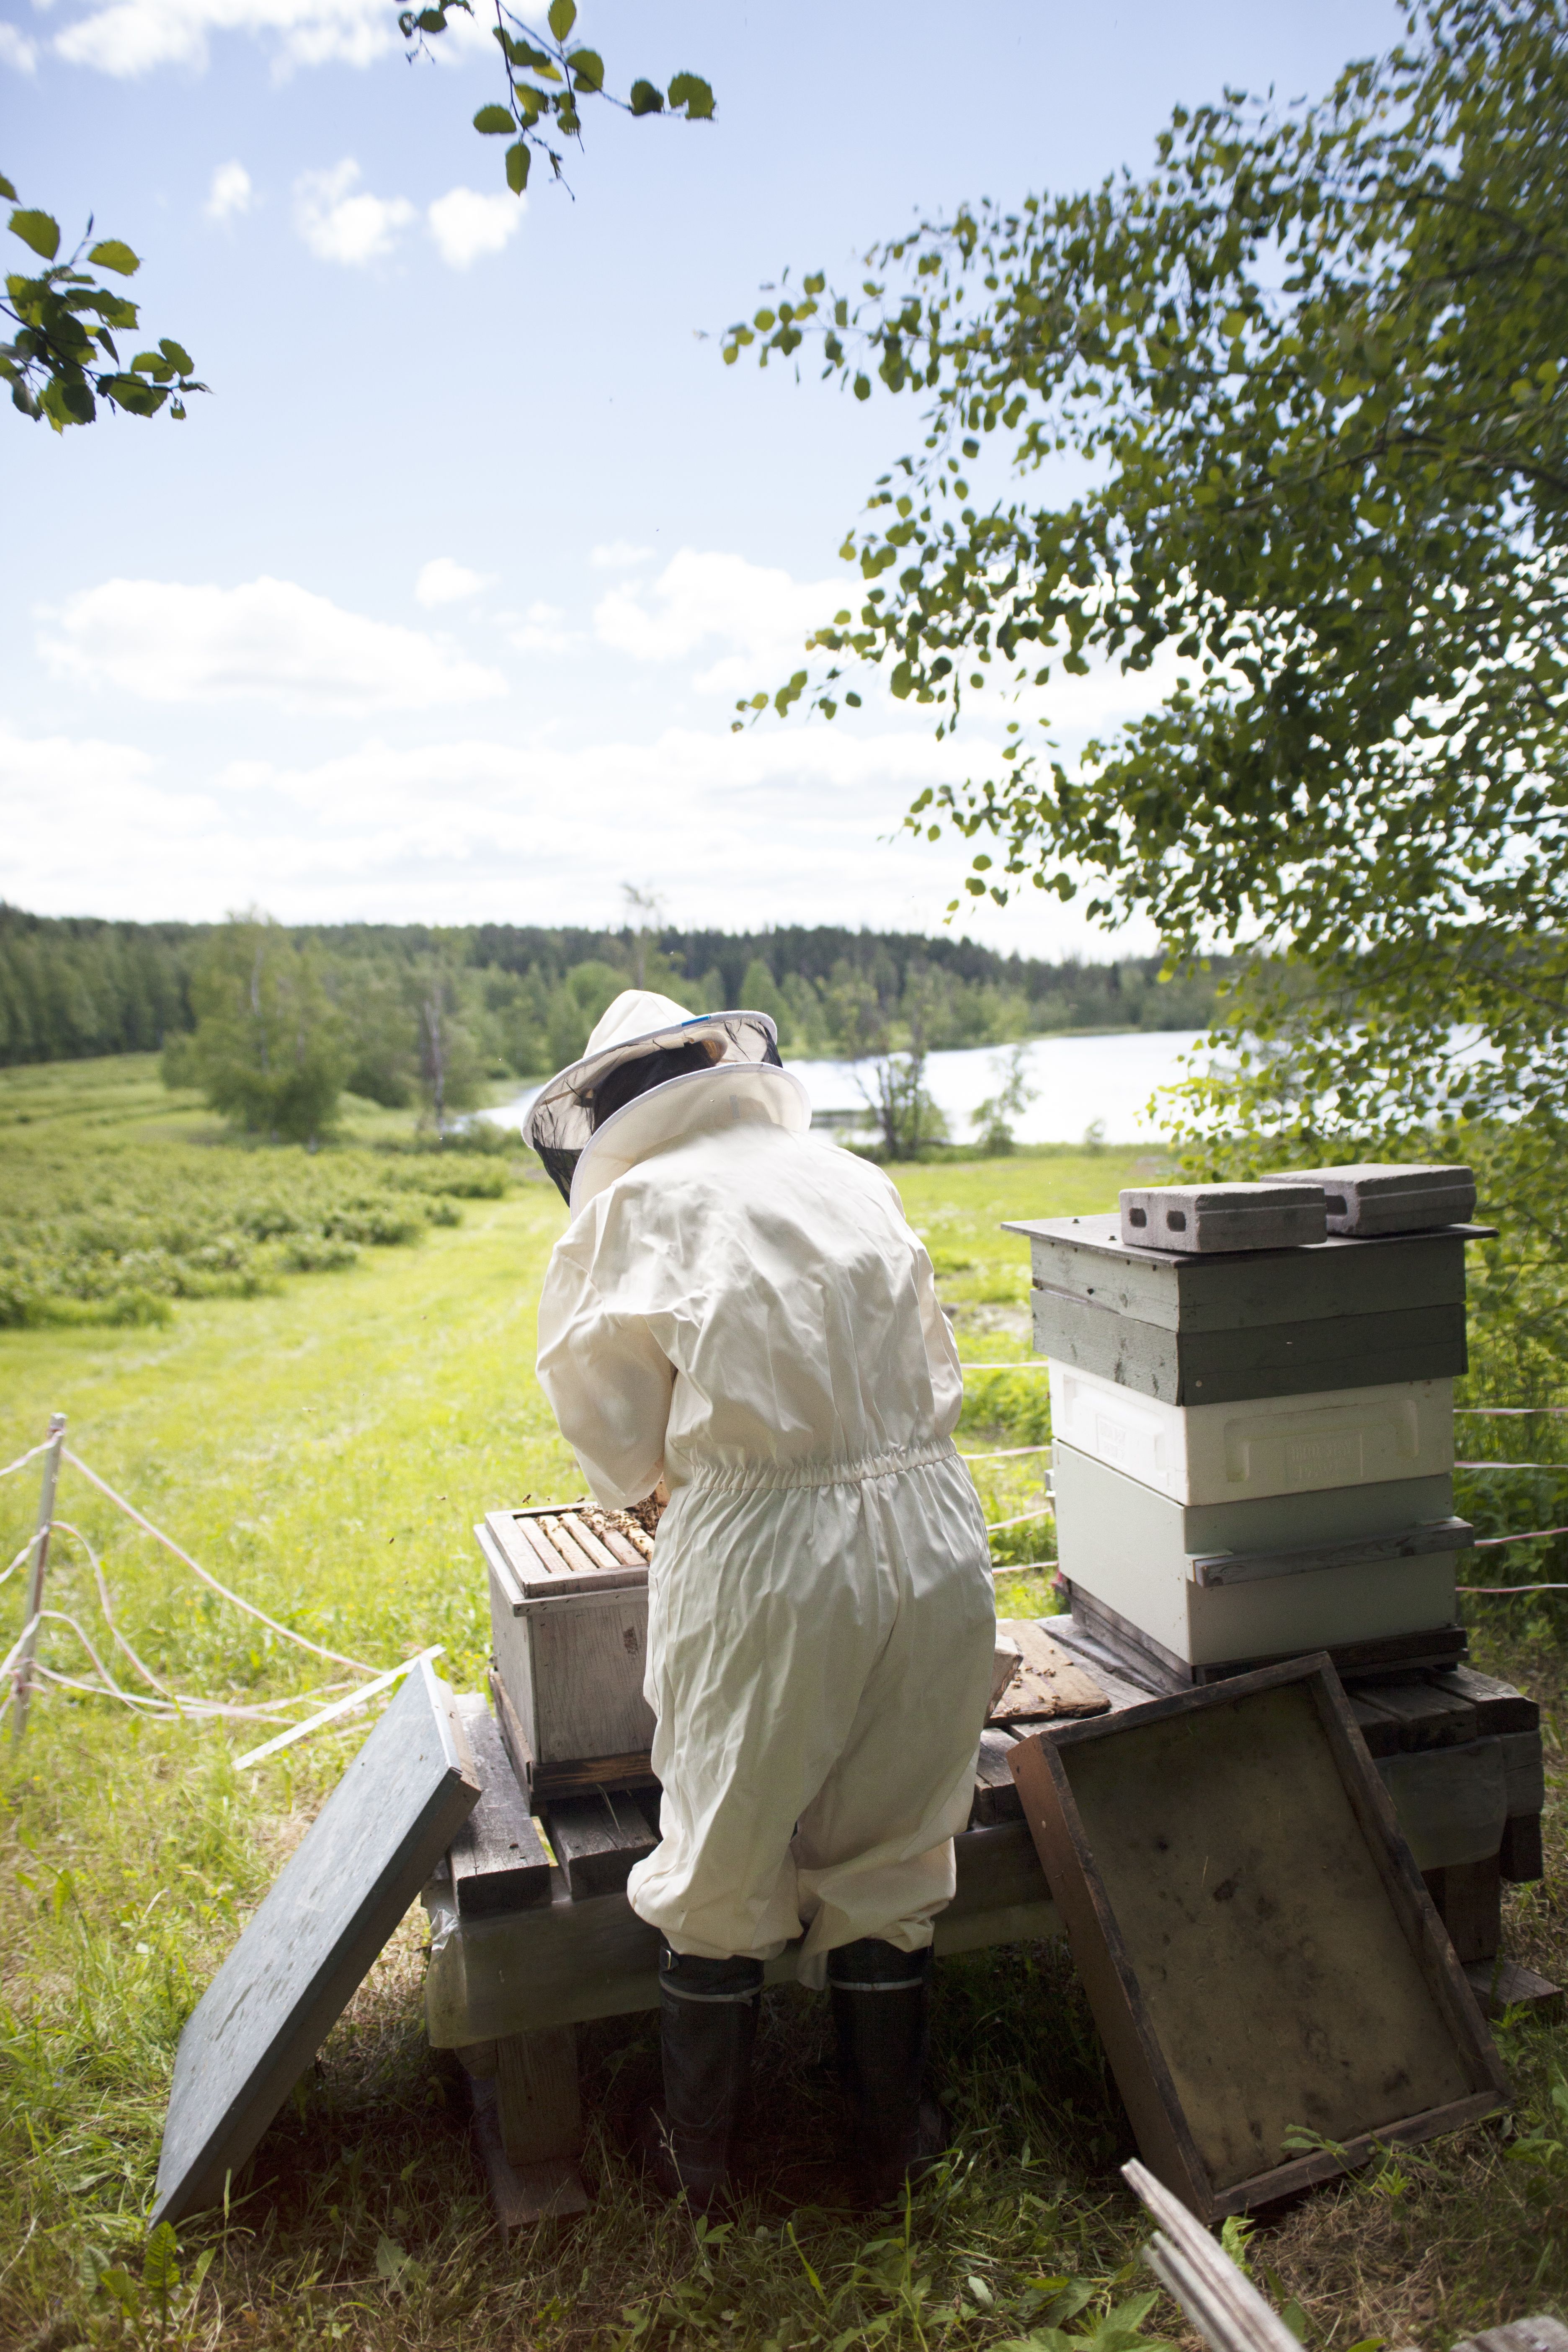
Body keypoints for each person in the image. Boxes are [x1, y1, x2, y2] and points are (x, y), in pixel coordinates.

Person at [527, 990, 995, 2206]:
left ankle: (704, 2167)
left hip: (769, 1552)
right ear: (717, 1067)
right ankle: (893, 2146)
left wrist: (673, 1477)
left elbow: (616, 1438)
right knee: (895, 1843)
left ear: (608, 1109)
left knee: (725, 1849)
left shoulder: (631, 1206)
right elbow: (929, 1356)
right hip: (938, 1532)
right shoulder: (850, 1177)